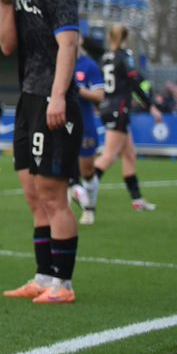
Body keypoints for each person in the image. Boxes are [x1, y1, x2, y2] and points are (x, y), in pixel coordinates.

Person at [0, 0, 82, 305]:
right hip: (28, 101)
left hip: (53, 99)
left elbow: (69, 45)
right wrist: (3, 5)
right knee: (33, 196)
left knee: (53, 194)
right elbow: (7, 46)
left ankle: (63, 284)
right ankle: (44, 276)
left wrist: (58, 96)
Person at [83, 23, 164, 220]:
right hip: (119, 109)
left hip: (107, 107)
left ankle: (137, 200)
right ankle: (86, 195)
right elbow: (134, 81)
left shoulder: (105, 57)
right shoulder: (124, 55)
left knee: (129, 154)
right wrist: (150, 105)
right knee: (109, 156)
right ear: (125, 38)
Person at [68, 37, 105, 222]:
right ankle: (69, 206)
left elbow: (99, 95)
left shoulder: (89, 66)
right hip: (63, 123)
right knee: (62, 169)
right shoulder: (58, 61)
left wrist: (79, 90)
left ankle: (90, 206)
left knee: (87, 170)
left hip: (85, 124)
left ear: (80, 40)